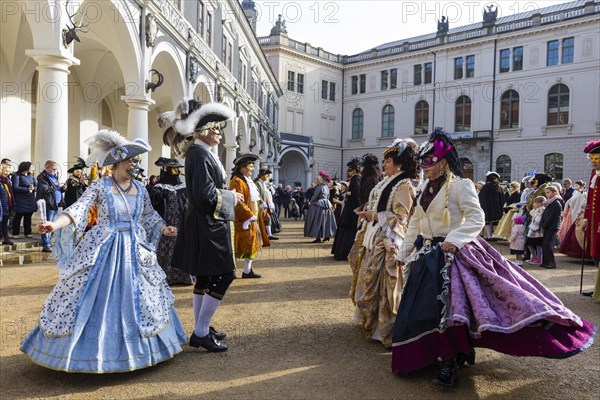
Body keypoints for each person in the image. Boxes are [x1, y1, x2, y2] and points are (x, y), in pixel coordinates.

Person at [391, 129, 595, 387]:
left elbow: (476, 218)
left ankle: (452, 360)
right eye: (422, 163)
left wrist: (454, 240)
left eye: (429, 162)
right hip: (427, 255)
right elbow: (415, 224)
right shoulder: (422, 189)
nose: (424, 167)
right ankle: (424, 353)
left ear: (443, 161)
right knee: (423, 308)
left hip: (455, 254)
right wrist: (404, 252)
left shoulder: (461, 185)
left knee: (453, 310)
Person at [20, 129, 186, 373]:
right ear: (117, 163)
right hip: (103, 247)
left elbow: (149, 216)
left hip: (134, 249)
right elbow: (79, 209)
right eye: (131, 161)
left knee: (143, 296)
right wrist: (54, 224)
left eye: (135, 161)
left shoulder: (140, 189)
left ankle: (142, 350)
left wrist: (164, 228)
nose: (134, 165)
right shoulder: (101, 186)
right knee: (85, 294)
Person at [165, 99, 242, 352]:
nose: (220, 133)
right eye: (217, 129)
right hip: (208, 225)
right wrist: (232, 197)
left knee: (206, 277)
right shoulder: (199, 155)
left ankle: (201, 328)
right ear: (204, 131)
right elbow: (204, 195)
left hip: (207, 223)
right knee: (223, 275)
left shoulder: (200, 154)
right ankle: (199, 331)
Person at [353, 139, 418, 348]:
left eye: (388, 161)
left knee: (387, 282)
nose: (385, 165)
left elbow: (401, 218)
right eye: (384, 161)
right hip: (376, 235)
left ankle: (385, 328)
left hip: (389, 239)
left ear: (399, 163)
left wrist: (374, 216)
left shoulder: (404, 186)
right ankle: (372, 323)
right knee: (369, 276)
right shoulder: (387, 182)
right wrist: (368, 216)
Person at [150, 157, 194, 285]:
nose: (175, 172)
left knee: (182, 247)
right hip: (166, 223)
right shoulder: (158, 188)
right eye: (172, 169)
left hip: (182, 222)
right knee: (166, 248)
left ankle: (184, 276)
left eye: (177, 169)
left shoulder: (183, 187)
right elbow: (154, 207)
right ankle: (167, 276)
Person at [348, 154, 383, 304]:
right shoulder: (379, 177)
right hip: (372, 216)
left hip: (371, 218)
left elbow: (368, 199)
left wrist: (362, 212)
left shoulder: (369, 179)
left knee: (361, 253)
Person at [230, 153, 270, 279]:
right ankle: (230, 270)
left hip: (253, 218)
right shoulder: (236, 181)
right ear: (242, 167)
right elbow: (238, 201)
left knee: (252, 244)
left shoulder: (248, 181)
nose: (252, 170)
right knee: (237, 245)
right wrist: (248, 215)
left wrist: (261, 205)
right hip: (242, 218)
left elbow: (254, 197)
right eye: (249, 167)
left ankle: (247, 271)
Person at [332, 158, 362, 261]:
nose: (348, 171)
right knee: (347, 232)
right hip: (350, 210)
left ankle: (343, 252)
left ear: (355, 170)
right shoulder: (355, 179)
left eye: (350, 169)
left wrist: (358, 210)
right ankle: (343, 252)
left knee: (348, 232)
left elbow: (357, 196)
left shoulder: (356, 179)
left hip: (351, 211)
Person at [581, 140, 600, 300]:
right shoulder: (594, 175)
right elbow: (589, 201)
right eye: (591, 158)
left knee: (598, 254)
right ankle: (597, 288)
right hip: (594, 221)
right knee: (594, 254)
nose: (593, 162)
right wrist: (586, 219)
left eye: (596, 158)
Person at [36, 160, 65, 252]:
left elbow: (56, 189)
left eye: (56, 169)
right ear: (47, 167)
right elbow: (44, 189)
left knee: (52, 224)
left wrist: (62, 188)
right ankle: (46, 245)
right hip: (48, 204)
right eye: (53, 169)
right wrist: (57, 186)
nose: (55, 171)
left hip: (55, 203)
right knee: (46, 224)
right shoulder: (42, 177)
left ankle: (49, 243)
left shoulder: (54, 176)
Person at [304, 171, 337, 243]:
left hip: (319, 205)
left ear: (320, 180)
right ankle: (327, 235)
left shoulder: (319, 187)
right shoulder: (326, 187)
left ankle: (318, 237)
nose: (316, 181)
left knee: (318, 221)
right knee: (327, 220)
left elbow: (315, 196)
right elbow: (328, 197)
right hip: (327, 204)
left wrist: (310, 202)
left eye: (317, 179)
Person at [10, 161, 37, 239]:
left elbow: (37, 186)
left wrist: (33, 188)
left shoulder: (31, 176)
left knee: (28, 217)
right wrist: (27, 189)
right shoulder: (16, 176)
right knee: (18, 217)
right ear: (26, 167)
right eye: (31, 167)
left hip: (30, 199)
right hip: (20, 200)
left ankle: (28, 232)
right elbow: (15, 187)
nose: (32, 168)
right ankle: (15, 233)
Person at [540, 185, 563, 269]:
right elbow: (544, 215)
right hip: (547, 226)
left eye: (548, 192)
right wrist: (542, 224)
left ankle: (552, 263)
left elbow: (553, 217)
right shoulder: (550, 202)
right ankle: (545, 262)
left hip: (552, 227)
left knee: (548, 245)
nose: (546, 194)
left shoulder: (556, 203)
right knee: (544, 244)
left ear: (554, 192)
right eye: (546, 193)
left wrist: (544, 225)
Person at [478, 171, 504, 240]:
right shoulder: (498, 187)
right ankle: (494, 235)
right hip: (497, 208)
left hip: (486, 208)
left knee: (487, 222)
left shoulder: (485, 187)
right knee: (496, 221)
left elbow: (481, 198)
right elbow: (502, 198)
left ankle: (489, 236)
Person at [255, 167, 278, 240]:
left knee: (267, 218)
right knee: (259, 221)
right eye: (266, 175)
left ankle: (269, 234)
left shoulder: (263, 184)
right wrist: (261, 202)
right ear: (262, 175)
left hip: (264, 206)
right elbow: (257, 194)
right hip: (259, 206)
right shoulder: (257, 183)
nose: (267, 177)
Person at [525, 196, 546, 266]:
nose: (534, 204)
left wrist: (536, 218)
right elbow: (531, 213)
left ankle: (538, 258)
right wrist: (534, 209)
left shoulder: (542, 210)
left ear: (540, 203)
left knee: (538, 245)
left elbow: (538, 220)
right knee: (529, 244)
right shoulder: (537, 209)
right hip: (533, 229)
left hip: (537, 231)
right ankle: (534, 256)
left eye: (535, 202)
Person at [0, 162, 15, 245]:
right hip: (1, 206)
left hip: (6, 205)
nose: (7, 173)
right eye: (5, 171)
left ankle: (6, 238)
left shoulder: (7, 181)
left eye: (8, 172)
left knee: (5, 222)